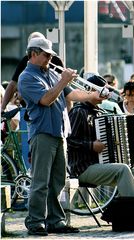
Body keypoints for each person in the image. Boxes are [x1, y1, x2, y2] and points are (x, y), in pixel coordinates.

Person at [18, 37, 90, 236]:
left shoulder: (50, 72)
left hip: (59, 133)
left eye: (51, 55)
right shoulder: (26, 77)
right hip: (43, 133)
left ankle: (56, 220)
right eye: (46, 54)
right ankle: (35, 221)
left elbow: (71, 95)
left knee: (58, 181)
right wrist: (63, 81)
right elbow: (47, 99)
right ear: (33, 54)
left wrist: (94, 96)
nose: (50, 58)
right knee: (40, 181)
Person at [67, 74, 134, 197]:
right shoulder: (79, 111)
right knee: (122, 169)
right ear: (91, 90)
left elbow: (115, 143)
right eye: (101, 90)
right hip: (83, 168)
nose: (105, 94)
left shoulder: (101, 112)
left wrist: (131, 145)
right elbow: (68, 141)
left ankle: (120, 211)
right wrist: (91, 146)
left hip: (101, 165)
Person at [1, 31, 72, 112]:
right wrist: (2, 108)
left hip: (55, 108)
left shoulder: (56, 60)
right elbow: (13, 84)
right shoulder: (25, 61)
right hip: (32, 109)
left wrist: (68, 116)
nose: (49, 58)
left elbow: (66, 91)